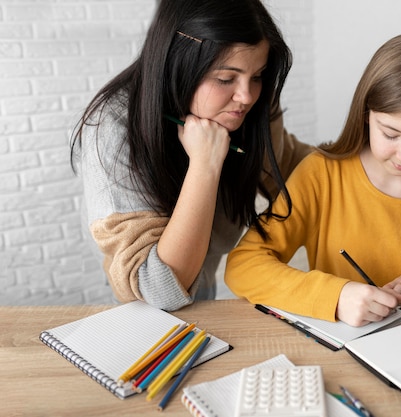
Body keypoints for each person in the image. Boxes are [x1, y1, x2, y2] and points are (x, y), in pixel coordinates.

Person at [225, 34, 401, 327]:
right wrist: (336, 296)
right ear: (365, 114)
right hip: (344, 344)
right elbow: (243, 266)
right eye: (391, 134)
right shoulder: (322, 173)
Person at [69, 0, 312, 311]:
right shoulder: (113, 128)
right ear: (177, 65)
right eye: (225, 79)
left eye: (258, 75)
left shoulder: (254, 102)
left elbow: (288, 164)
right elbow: (159, 287)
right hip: (143, 297)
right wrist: (205, 164)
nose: (246, 96)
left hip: (203, 272)